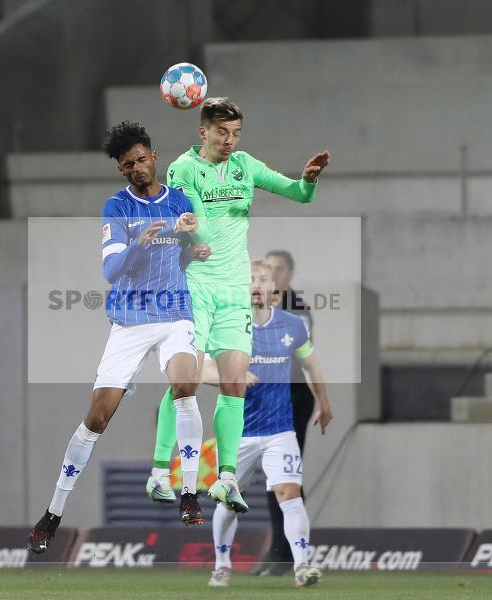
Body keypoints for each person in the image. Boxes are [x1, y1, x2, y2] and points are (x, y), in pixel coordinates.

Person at [27, 121, 212, 553]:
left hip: (173, 314)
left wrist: (192, 250)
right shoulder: (115, 208)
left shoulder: (179, 201)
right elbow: (112, 271)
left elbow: (179, 254)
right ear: (121, 170)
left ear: (154, 157)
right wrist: (142, 242)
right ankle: (53, 513)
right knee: (97, 418)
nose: (137, 168)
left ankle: (188, 493)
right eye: (128, 164)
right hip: (130, 321)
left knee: (186, 386)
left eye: (141, 159)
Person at [146, 97, 330, 513]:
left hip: (234, 293)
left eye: (236, 133)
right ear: (203, 132)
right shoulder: (183, 169)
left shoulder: (246, 165)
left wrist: (309, 180)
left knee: (233, 385)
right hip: (195, 288)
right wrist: (197, 231)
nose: (230, 141)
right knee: (185, 384)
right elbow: (200, 226)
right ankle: (160, 471)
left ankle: (226, 479)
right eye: (222, 132)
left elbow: (299, 195)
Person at [206, 260, 332, 588]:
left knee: (289, 493)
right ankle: (221, 565)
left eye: (263, 279)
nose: (257, 285)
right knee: (229, 501)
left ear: (273, 289)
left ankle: (303, 565)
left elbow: (310, 365)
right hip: (239, 431)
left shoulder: (292, 325)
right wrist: (231, 376)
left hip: (280, 429)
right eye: (250, 279)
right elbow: (199, 370)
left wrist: (324, 401)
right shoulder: (225, 326)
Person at [258, 249, 317, 575]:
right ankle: (280, 549)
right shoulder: (256, 309)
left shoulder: (297, 310)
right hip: (267, 399)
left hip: (293, 397)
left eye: (278, 269)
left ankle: (288, 552)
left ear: (289, 275)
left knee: (286, 474)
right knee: (273, 474)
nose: (273, 274)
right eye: (268, 268)